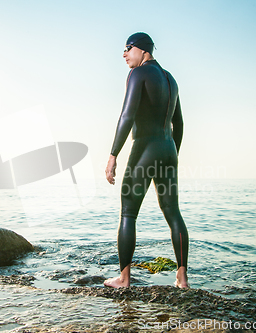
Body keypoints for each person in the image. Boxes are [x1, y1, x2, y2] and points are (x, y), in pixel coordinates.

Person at [104, 32, 189, 288]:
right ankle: (182, 278)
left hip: (144, 149)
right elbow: (179, 122)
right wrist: (172, 153)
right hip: (168, 149)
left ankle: (124, 278)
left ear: (142, 50)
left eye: (128, 48)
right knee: (173, 212)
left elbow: (127, 116)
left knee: (128, 213)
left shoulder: (138, 74)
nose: (124, 54)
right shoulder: (170, 79)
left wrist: (113, 155)